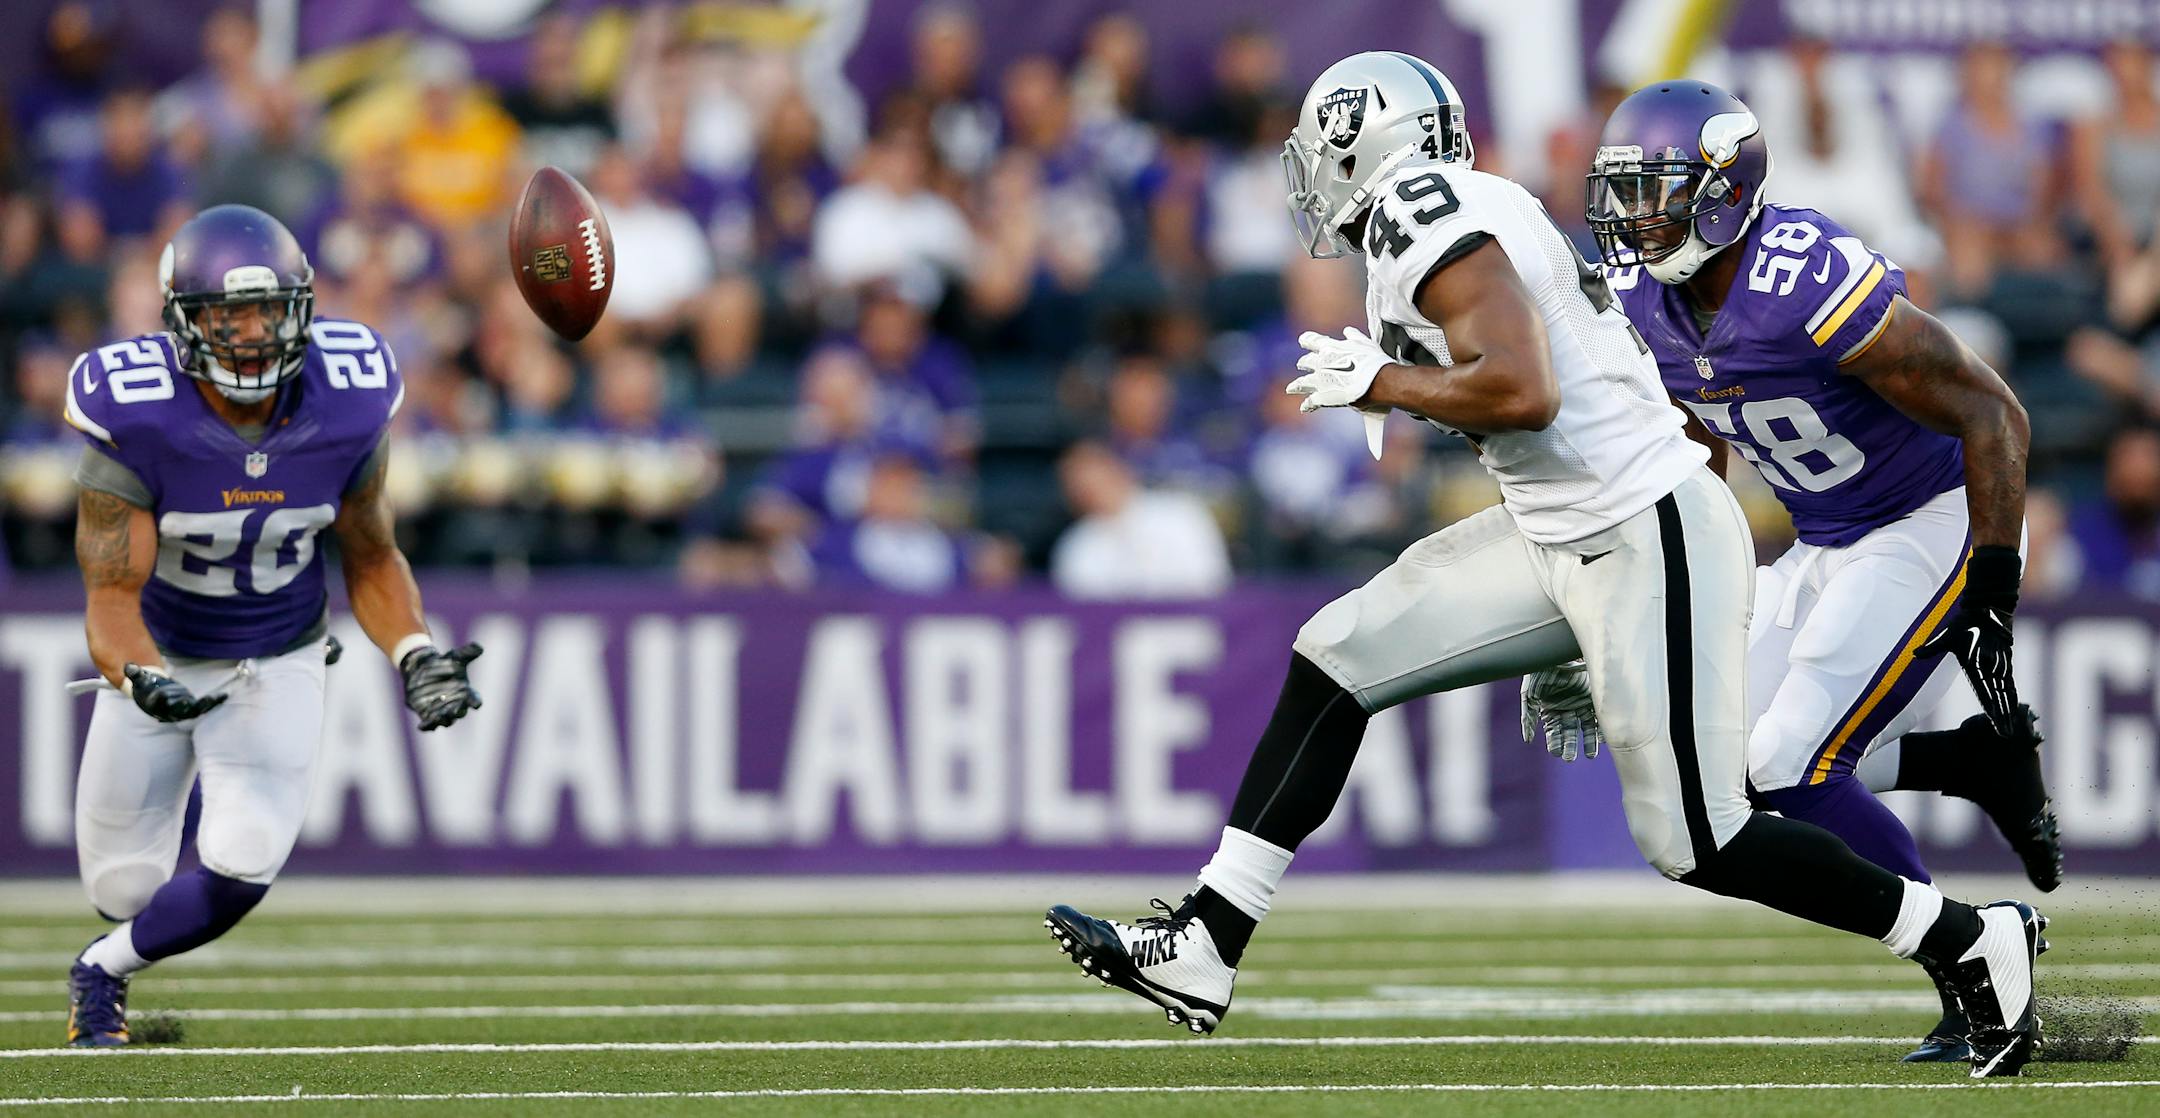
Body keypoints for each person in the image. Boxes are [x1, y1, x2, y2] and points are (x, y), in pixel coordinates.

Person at [1042, 53, 2045, 1080]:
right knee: (1337, 653)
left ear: (1367, 147)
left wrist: (1386, 380)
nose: (1314, 175)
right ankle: (1210, 936)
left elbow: (1523, 392)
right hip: (1561, 528)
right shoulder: (1439, 213)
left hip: (1645, 526)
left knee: (1699, 836)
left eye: (1326, 153)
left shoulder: (1419, 216)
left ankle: (1967, 936)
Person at [1586, 80, 2060, 1063]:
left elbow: (1994, 413)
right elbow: (1687, 449)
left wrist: (1993, 586)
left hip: (1924, 519)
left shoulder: (1801, 279)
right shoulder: (1645, 296)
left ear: (1722, 188)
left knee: (1787, 763)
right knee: (1716, 770)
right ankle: (1966, 765)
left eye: (1657, 191)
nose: (1638, 217)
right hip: (1825, 534)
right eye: (1624, 193)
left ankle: (1974, 959)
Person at [59, 205, 483, 1047]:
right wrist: (143, 676)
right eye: (228, 315)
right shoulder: (137, 413)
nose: (252, 335)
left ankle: (99, 974)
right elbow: (109, 595)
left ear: (304, 308)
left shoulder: (351, 398)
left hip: (276, 654)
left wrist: (414, 651)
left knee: (244, 856)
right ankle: (152, 856)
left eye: (269, 310)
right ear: (184, 323)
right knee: (125, 887)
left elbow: (370, 553)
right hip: (162, 652)